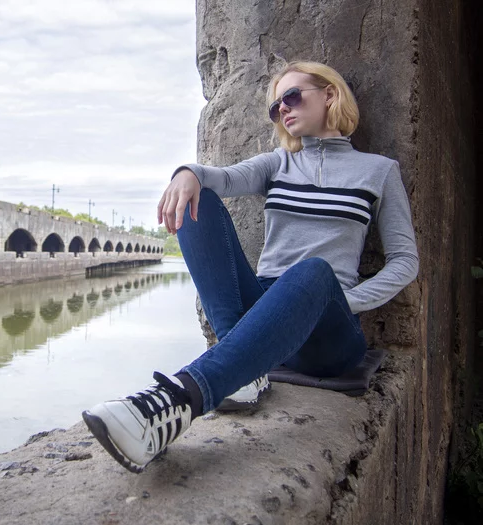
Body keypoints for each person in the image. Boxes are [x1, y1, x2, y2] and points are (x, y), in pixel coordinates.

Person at [81, 61, 419, 474]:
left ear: (329, 94)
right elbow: (219, 178)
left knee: (312, 270)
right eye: (276, 107)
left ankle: (180, 399)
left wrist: (346, 299)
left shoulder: (380, 171)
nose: (283, 110)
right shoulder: (278, 164)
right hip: (264, 307)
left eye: (292, 97)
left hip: (329, 328)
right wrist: (186, 173)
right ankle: (243, 374)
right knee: (197, 201)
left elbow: (405, 261)